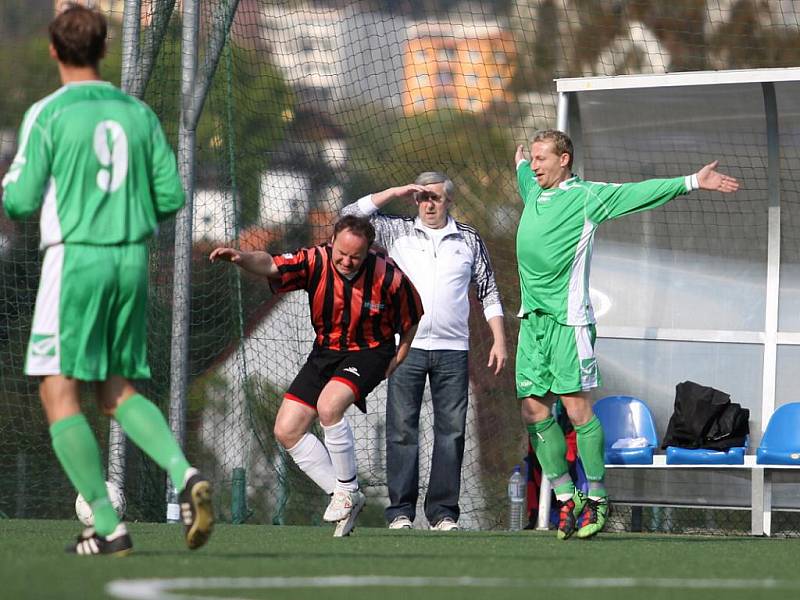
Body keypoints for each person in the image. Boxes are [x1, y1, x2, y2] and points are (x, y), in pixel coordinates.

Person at [1, 4, 213, 556]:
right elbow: (170, 196)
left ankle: (107, 522)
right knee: (116, 389)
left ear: (53, 49)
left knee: (57, 389)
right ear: (103, 49)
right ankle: (185, 473)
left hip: (76, 261)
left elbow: (20, 200)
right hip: (132, 260)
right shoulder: (137, 114)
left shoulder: (48, 114)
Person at [514, 129, 740, 540]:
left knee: (576, 410)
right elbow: (523, 176)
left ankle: (597, 498)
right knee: (532, 409)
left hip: (569, 323)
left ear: (564, 159)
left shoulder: (588, 196)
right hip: (533, 322)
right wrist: (520, 162)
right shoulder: (533, 189)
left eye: (542, 158)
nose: (535, 165)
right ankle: (568, 499)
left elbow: (641, 193)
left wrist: (691, 181)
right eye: (532, 158)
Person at [210, 215, 423, 536]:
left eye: (355, 256)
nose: (347, 261)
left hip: (370, 351)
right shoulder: (315, 260)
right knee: (287, 429)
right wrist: (241, 258)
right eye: (342, 252)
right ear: (332, 241)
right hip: (326, 353)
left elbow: (412, 315)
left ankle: (348, 490)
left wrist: (402, 352)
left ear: (368, 252)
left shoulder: (388, 276)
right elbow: (270, 264)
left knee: (329, 406)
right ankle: (343, 493)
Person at [342, 172, 507, 531]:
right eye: (422, 198)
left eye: (435, 197)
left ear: (449, 200)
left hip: (453, 350)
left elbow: (489, 291)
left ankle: (443, 514)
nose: (429, 204)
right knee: (402, 429)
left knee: (451, 432)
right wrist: (395, 189)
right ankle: (400, 512)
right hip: (406, 347)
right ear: (414, 200)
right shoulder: (396, 230)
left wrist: (499, 339)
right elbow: (348, 216)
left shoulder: (468, 239)